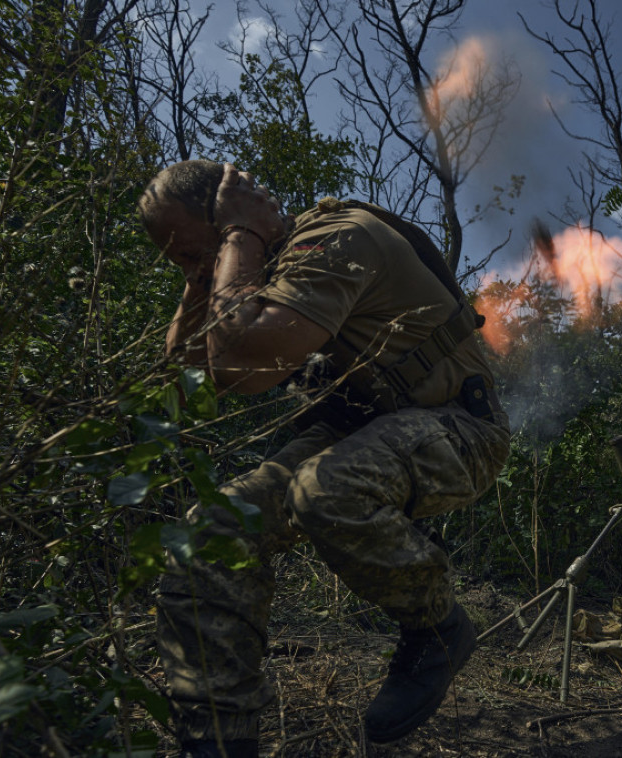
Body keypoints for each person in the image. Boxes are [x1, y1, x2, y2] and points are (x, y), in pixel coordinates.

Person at [138, 160, 510, 757]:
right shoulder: (259, 263)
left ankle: (437, 629)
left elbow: (241, 362)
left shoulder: (335, 241)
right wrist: (203, 274)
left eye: (191, 251)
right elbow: (187, 372)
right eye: (176, 260)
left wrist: (239, 239)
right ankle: (217, 740)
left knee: (325, 489)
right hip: (356, 430)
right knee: (212, 531)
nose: (191, 268)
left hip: (461, 431)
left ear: (229, 219)